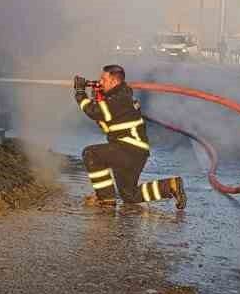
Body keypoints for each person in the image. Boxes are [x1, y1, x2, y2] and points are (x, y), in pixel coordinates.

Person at [75, 64, 187, 209]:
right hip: (135, 151)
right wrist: (97, 96)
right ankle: (170, 186)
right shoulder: (121, 97)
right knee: (129, 195)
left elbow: (95, 112)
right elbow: (104, 119)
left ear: (114, 81)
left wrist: (80, 93)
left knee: (91, 154)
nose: (100, 82)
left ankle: (105, 199)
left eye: (103, 79)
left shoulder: (119, 99)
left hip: (128, 148)